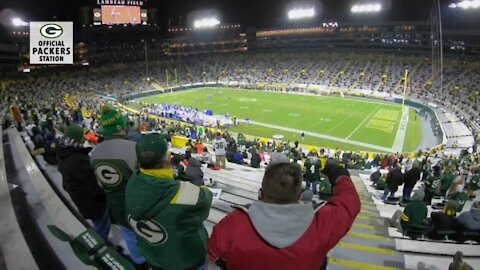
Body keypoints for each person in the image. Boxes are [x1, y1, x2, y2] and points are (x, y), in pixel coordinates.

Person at [207, 161, 360, 270]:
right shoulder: (322, 224)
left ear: (260, 194)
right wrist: (340, 176)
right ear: (300, 196)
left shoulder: (232, 225)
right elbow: (350, 202)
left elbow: (215, 258)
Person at [126, 134, 213, 270]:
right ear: (166, 158)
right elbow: (206, 196)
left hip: (153, 256)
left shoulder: (132, 182)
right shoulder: (186, 194)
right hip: (185, 260)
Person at [89, 106, 146, 266]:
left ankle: (138, 261)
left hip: (115, 205)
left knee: (128, 233)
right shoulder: (134, 148)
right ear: (120, 127)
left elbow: (101, 183)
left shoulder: (95, 153)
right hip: (138, 205)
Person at [57, 125, 110, 241]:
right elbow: (91, 187)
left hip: (80, 199)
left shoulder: (63, 150)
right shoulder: (78, 160)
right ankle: (101, 245)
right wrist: (103, 194)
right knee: (102, 225)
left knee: (98, 223)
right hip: (92, 202)